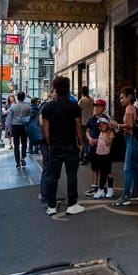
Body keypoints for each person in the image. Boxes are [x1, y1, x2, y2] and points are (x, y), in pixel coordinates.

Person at [39, 77, 87, 216]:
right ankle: (72, 204)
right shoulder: (74, 106)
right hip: (70, 145)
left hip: (54, 146)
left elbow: (45, 129)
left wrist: (50, 143)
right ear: (67, 88)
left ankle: (52, 206)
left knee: (53, 176)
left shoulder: (48, 107)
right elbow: (78, 126)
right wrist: (81, 143)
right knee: (72, 174)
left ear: (55, 89)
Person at [113, 87, 138, 207]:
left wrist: (117, 125)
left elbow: (130, 125)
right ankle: (136, 192)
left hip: (131, 140)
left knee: (127, 168)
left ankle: (125, 196)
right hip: (134, 140)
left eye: (122, 97)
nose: (120, 100)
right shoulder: (132, 108)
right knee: (134, 167)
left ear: (129, 97)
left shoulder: (129, 108)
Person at [86, 99, 108, 195]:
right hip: (93, 146)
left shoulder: (106, 120)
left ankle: (103, 186)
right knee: (94, 166)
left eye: (99, 107)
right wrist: (90, 138)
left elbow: (108, 133)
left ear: (103, 108)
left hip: (103, 148)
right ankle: (94, 185)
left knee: (103, 167)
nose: (96, 108)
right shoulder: (91, 119)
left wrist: (99, 140)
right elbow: (87, 131)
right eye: (95, 106)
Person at [90, 117, 116, 199]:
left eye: (103, 125)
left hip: (107, 155)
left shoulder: (110, 133)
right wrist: (96, 141)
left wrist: (108, 132)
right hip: (99, 155)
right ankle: (102, 189)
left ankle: (109, 189)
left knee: (108, 172)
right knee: (102, 172)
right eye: (99, 125)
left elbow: (108, 143)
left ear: (107, 125)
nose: (101, 127)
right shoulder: (100, 133)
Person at [7, 92, 33, 168]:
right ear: (24, 97)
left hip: (15, 126)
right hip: (24, 127)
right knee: (24, 142)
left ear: (17, 98)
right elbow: (30, 117)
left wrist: (9, 128)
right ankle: (23, 158)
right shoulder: (27, 107)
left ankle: (17, 162)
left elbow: (9, 119)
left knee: (16, 144)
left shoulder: (13, 107)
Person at [78, 86, 95, 164]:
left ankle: (85, 158)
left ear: (82, 92)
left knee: (84, 141)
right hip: (91, 122)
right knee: (90, 140)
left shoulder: (81, 101)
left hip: (83, 123)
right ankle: (90, 157)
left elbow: (77, 112)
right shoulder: (92, 100)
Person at [26, 97, 45, 166]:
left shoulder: (30, 108)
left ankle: (31, 149)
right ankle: (35, 150)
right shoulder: (35, 109)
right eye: (38, 101)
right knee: (36, 136)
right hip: (34, 124)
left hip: (30, 124)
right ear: (35, 102)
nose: (39, 102)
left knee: (32, 137)